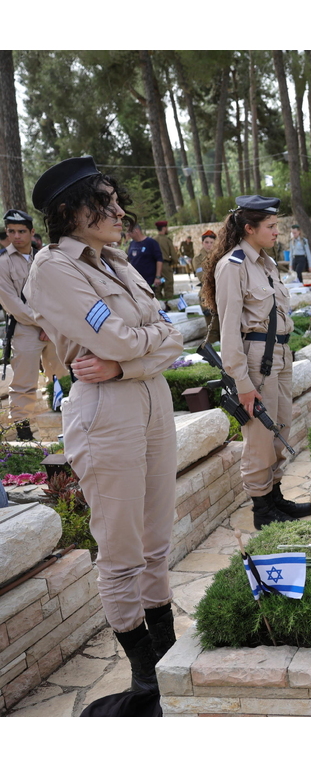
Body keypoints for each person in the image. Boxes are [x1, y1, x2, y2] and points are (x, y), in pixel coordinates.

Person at [25, 156, 184, 693]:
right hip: (106, 412)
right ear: (71, 212)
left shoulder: (115, 260)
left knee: (157, 539)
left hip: (147, 395)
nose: (119, 212)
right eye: (105, 203)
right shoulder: (54, 268)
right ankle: (144, 677)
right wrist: (138, 349)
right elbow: (115, 337)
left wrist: (126, 364)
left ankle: (167, 655)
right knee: (121, 550)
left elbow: (173, 335)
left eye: (117, 202)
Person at [202, 194, 311, 532]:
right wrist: (242, 383)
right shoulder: (232, 266)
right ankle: (262, 509)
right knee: (260, 437)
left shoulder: (265, 263)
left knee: (280, 428)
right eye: (271, 226)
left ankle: (275, 496)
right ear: (249, 228)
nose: (277, 231)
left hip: (280, 353)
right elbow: (229, 331)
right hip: (256, 358)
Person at [0, 209, 67, 440]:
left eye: (21, 231)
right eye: (11, 231)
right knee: (24, 381)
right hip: (25, 328)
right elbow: (12, 304)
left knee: (60, 374)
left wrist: (51, 324)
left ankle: (64, 417)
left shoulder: (45, 257)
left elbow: (59, 293)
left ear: (32, 232)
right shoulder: (3, 263)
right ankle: (23, 432)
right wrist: (44, 324)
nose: (16, 236)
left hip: (54, 327)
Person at [194, 230, 221, 346]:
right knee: (212, 325)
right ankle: (212, 346)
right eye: (206, 242)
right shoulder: (198, 258)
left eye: (211, 242)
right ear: (202, 243)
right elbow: (202, 277)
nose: (209, 245)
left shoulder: (219, 255)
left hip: (220, 292)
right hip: (207, 294)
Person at [126, 223, 163, 292]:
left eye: (129, 231)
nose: (128, 234)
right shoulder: (132, 244)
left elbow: (159, 260)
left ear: (137, 230)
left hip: (149, 280)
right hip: (135, 279)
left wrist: (158, 277)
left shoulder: (151, 242)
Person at [153, 221, 178, 299]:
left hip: (154, 265)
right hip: (165, 264)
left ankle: (158, 300)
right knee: (168, 282)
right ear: (164, 228)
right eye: (166, 227)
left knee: (157, 284)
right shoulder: (167, 240)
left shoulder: (153, 239)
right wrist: (174, 262)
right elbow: (173, 255)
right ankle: (168, 301)